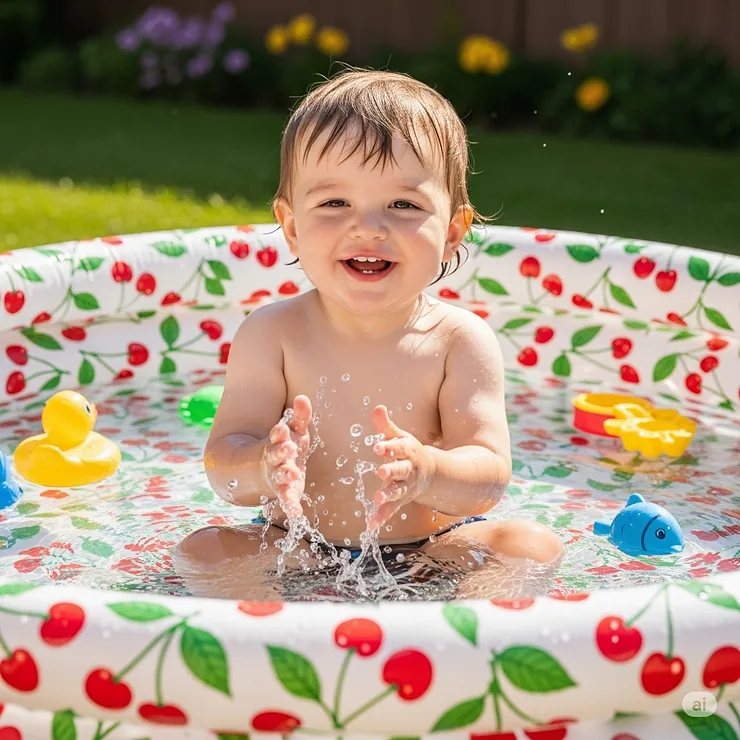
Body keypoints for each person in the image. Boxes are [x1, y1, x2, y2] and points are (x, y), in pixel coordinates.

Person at [176, 67, 563, 599]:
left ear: (452, 231)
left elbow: (489, 478)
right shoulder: (271, 335)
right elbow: (225, 473)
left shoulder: (457, 340)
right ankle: (274, 646)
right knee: (203, 549)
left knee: (529, 545)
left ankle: (459, 646)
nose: (369, 227)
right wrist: (263, 464)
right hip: (296, 550)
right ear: (291, 226)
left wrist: (430, 471)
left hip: (433, 553)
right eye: (335, 203)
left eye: (404, 205)